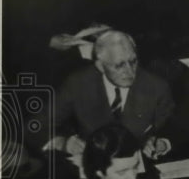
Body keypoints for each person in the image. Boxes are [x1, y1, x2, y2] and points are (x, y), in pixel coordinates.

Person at [46, 30, 174, 160]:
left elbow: (170, 127)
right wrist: (62, 143)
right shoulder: (78, 84)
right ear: (100, 65)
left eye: (133, 61)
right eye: (119, 65)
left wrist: (161, 142)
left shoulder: (157, 87)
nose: (130, 72)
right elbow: (38, 126)